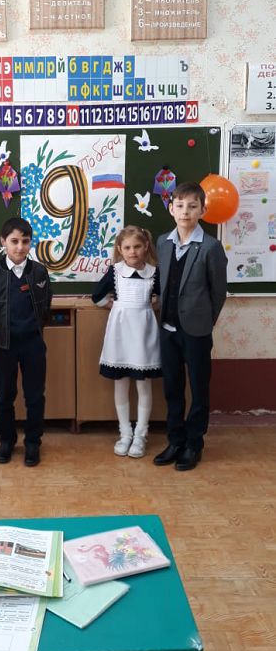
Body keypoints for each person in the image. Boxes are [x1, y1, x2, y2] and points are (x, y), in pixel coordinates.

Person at [153, 181, 228, 472]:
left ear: (202, 211)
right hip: (168, 329)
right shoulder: (163, 242)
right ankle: (175, 440)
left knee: (198, 388)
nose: (185, 211)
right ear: (171, 209)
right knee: (172, 388)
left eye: (192, 206)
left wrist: (205, 322)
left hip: (196, 331)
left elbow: (218, 292)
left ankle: (194, 444)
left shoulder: (211, 247)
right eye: (180, 205)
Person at [0, 217, 52, 467]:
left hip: (33, 344)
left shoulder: (39, 272)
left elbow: (46, 307)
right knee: (4, 395)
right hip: (4, 345)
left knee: (35, 396)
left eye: (25, 241)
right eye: (14, 241)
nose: (20, 247)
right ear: (3, 242)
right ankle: (7, 440)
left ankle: (33, 442)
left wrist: (34, 331)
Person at [92, 225, 161, 459]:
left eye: (137, 246)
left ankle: (141, 434)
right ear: (120, 249)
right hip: (120, 332)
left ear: (146, 247)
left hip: (143, 333)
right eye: (128, 247)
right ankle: (125, 433)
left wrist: (153, 305)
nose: (133, 252)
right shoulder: (115, 271)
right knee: (120, 383)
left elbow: (162, 296)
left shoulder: (154, 273)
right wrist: (114, 305)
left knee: (143, 384)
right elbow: (97, 296)